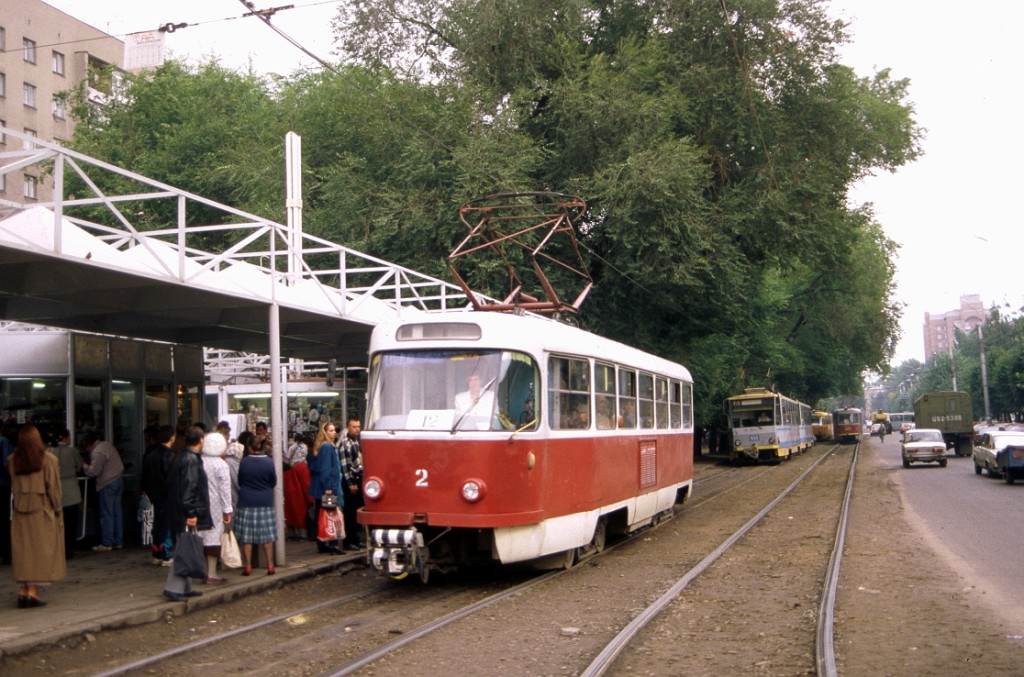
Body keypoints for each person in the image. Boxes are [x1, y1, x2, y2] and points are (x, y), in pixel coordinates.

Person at [9, 425, 65, 608]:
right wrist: (58, 510)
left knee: (23, 552)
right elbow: (54, 489)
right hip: (41, 511)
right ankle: (33, 591)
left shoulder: (12, 460)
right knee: (38, 552)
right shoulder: (48, 459)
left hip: (19, 511)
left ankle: (22, 590)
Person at [163, 426, 210, 602]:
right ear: (201, 440)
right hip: (185, 512)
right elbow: (189, 488)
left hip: (178, 510)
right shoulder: (191, 459)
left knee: (185, 546)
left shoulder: (183, 456)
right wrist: (191, 512)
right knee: (183, 550)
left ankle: (185, 586)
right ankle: (173, 588)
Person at [235, 435, 278, 576]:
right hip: (265, 500)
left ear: (249, 447)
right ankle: (270, 565)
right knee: (267, 537)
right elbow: (273, 481)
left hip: (246, 500)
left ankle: (247, 566)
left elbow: (240, 480)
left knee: (246, 537)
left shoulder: (245, 462)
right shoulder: (269, 462)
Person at [199, 432, 233, 584]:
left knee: (200, 538)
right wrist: (227, 509)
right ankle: (211, 573)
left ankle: (201, 570)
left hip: (198, 505)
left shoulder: (198, 462)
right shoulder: (221, 465)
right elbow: (225, 489)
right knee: (213, 539)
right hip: (216, 506)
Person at [81, 433, 125, 551]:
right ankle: (118, 541)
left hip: (107, 483)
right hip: (118, 480)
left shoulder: (97, 452)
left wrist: (84, 465)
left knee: (107, 514)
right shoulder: (107, 445)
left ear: (88, 446)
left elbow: (94, 472)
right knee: (117, 513)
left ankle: (107, 543)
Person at [141, 424, 176, 566]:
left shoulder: (151, 455)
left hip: (154, 494)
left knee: (157, 524)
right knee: (167, 525)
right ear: (171, 437)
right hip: (167, 495)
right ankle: (167, 554)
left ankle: (157, 553)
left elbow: (145, 476)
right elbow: (171, 478)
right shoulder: (169, 456)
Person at [307, 421, 343, 554]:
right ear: (325, 432)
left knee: (321, 515)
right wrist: (328, 487)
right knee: (331, 515)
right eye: (331, 430)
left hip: (318, 488)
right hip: (327, 488)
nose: (334, 433)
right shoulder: (328, 447)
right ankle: (333, 545)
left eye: (334, 430)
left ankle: (321, 543)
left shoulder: (319, 447)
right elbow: (326, 469)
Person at [51, 429, 82, 560]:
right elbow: (79, 466)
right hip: (71, 488)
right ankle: (69, 548)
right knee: (71, 521)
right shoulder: (72, 451)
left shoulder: (49, 452)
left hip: (55, 488)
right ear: (65, 438)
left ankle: (58, 547)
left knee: (58, 521)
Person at [339, 417, 365, 551]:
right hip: (351, 480)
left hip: (358, 478)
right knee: (349, 512)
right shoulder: (345, 443)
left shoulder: (355, 442)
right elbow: (345, 466)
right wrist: (350, 484)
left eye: (358, 426)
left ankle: (355, 538)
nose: (357, 429)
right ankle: (348, 541)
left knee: (356, 511)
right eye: (354, 427)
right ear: (348, 428)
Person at [282, 433, 313, 541]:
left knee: (290, 514)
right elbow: (306, 484)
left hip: (289, 494)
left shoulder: (288, 467)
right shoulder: (302, 466)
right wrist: (311, 499)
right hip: (299, 496)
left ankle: (291, 533)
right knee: (300, 514)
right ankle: (302, 534)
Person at [0, 426, 14, 566]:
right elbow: (6, 463)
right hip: (2, 484)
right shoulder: (3, 441)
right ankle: (5, 552)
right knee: (4, 519)